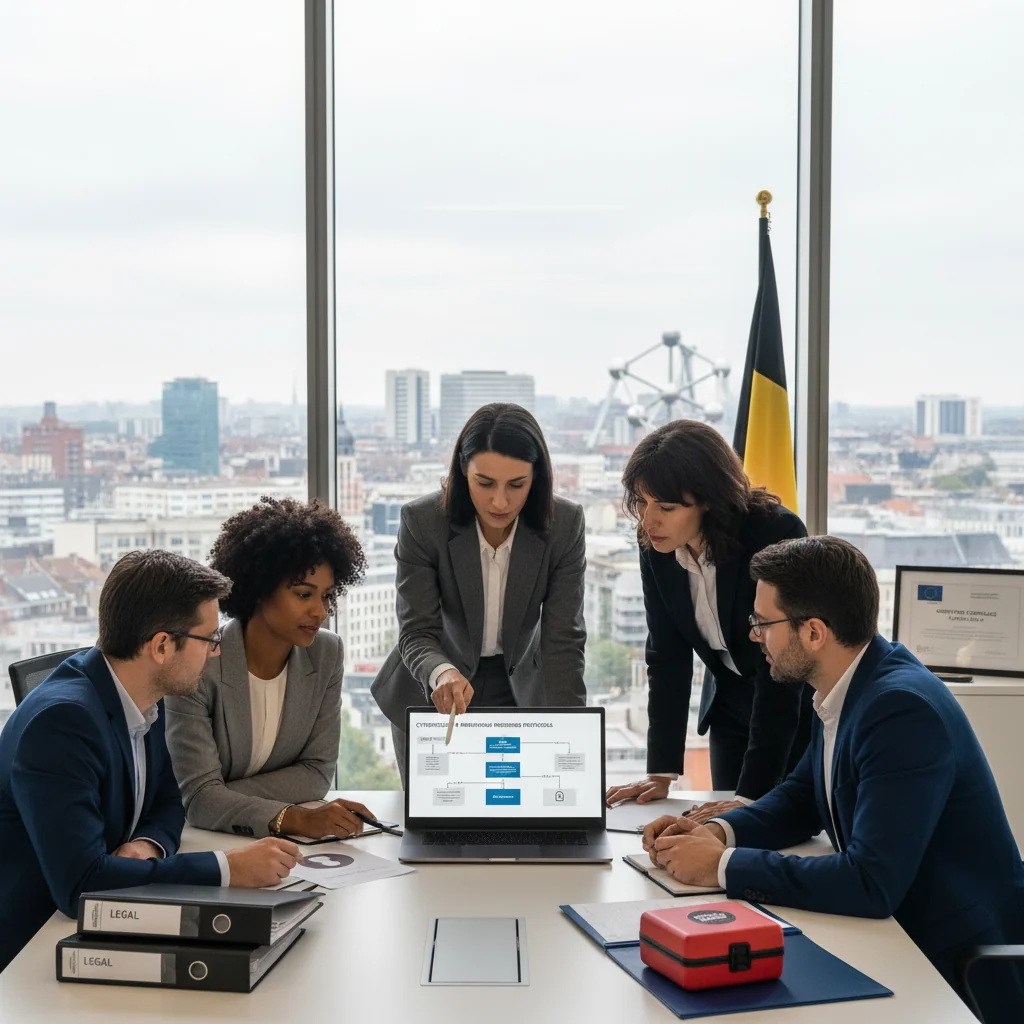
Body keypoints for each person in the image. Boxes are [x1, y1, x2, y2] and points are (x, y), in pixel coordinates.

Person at [642, 536, 1024, 1024]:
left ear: (815, 632)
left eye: (763, 623)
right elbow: (804, 798)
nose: (755, 636)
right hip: (893, 940)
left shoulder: (900, 709)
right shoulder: (850, 685)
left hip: (945, 969)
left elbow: (871, 882)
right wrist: (714, 833)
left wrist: (721, 866)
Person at [0, 550, 301, 973]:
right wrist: (227, 869)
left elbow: (167, 803)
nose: (215, 653)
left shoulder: (141, 695)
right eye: (209, 640)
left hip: (98, 931)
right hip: (31, 959)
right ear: (162, 645)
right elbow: (80, 886)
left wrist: (146, 846)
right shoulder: (62, 724)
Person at [372, 403, 587, 785]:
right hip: (434, 689)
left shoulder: (564, 525)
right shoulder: (422, 522)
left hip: (520, 687)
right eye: (484, 483)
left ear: (537, 478)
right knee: (436, 824)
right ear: (461, 472)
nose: (499, 502)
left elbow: (563, 642)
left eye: (516, 485)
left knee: (521, 820)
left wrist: (570, 738)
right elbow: (416, 630)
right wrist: (441, 673)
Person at [606, 420, 809, 811]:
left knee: (779, 828)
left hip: (791, 708)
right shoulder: (655, 544)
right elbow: (666, 656)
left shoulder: (775, 531)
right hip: (729, 708)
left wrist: (750, 798)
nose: (648, 521)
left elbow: (782, 669)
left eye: (665, 507)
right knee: (723, 834)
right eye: (641, 502)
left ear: (709, 500)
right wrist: (660, 771)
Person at [166, 497, 375, 840]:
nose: (321, 612)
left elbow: (317, 774)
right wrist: (294, 818)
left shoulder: (326, 653)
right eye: (304, 595)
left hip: (274, 845)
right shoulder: (199, 663)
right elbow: (200, 799)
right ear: (260, 589)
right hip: (202, 844)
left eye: (326, 596)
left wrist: (225, 794)